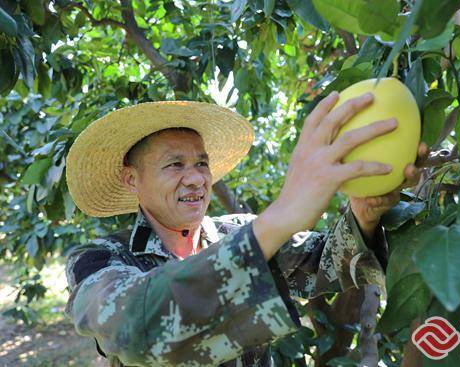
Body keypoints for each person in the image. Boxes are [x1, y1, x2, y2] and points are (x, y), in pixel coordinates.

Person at [64, 93, 427, 366]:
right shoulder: (98, 260)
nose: (195, 179)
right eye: (174, 165)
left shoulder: (237, 231)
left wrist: (364, 212)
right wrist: (281, 214)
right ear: (132, 179)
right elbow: (134, 328)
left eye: (201, 163)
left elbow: (324, 264)